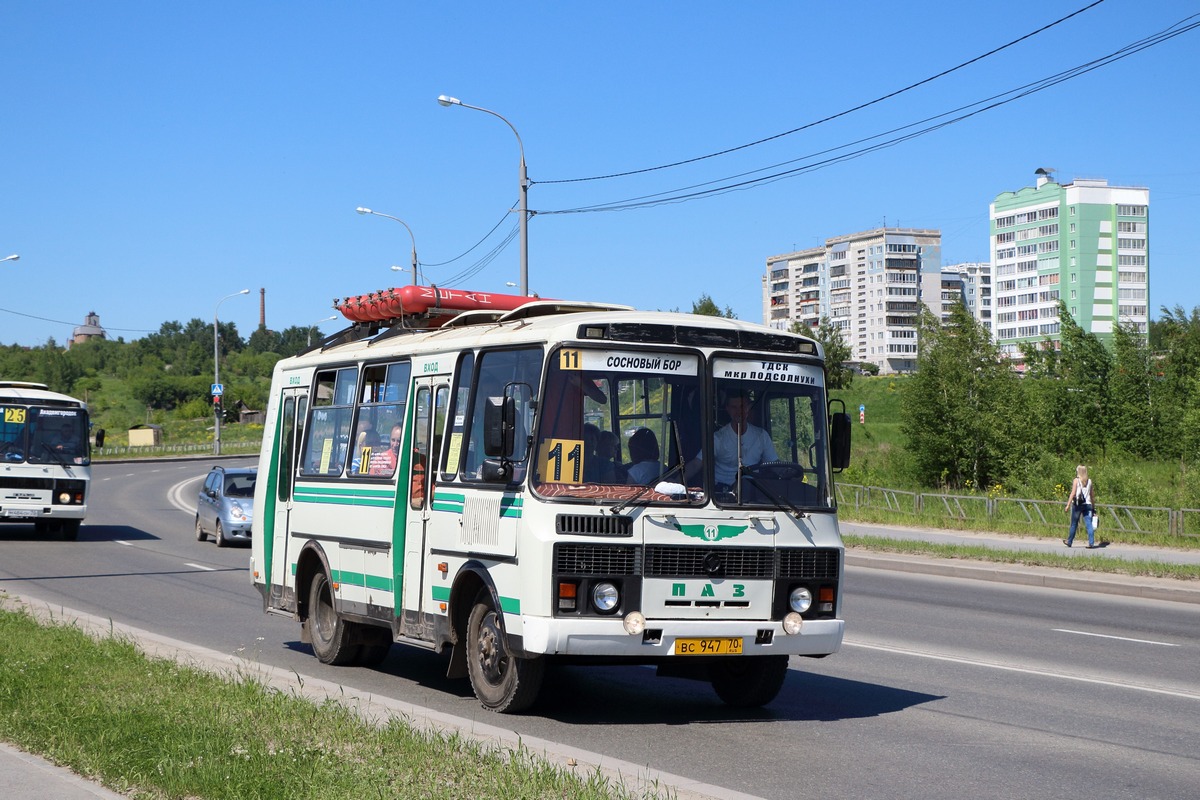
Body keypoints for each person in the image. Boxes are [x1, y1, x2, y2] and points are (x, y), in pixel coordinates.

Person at [686, 390, 777, 490]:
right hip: (721, 495)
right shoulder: (718, 438)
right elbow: (696, 464)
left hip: (751, 492)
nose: (739, 412)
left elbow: (774, 465)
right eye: (734, 407)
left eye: (742, 406)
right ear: (728, 409)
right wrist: (675, 480)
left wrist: (793, 475)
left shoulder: (761, 436)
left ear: (748, 407)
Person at [1064, 464, 1098, 548]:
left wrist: (1068, 504)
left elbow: (1073, 493)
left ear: (1078, 472)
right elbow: (1092, 495)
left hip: (1078, 504)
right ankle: (1091, 543)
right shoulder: (1089, 481)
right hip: (1088, 505)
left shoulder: (1076, 480)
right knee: (1089, 524)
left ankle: (1069, 541)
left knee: (1074, 524)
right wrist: (1093, 506)